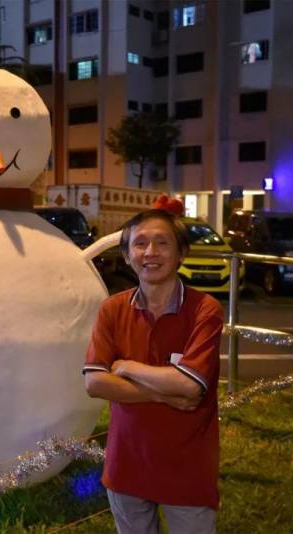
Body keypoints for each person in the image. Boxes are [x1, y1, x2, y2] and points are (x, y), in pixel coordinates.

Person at [83, 208, 224, 534]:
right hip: (126, 465)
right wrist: (164, 394)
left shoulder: (204, 310)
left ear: (181, 253)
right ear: (126, 255)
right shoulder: (112, 309)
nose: (150, 252)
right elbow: (95, 383)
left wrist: (126, 366)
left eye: (162, 243)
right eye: (140, 243)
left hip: (187, 468)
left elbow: (189, 387)